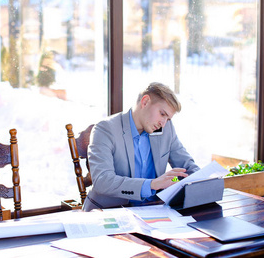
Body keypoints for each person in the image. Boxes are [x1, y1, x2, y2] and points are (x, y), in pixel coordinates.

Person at [83, 82, 200, 211]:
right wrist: (152, 184)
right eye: (162, 114)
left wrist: (199, 179)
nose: (163, 123)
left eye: (168, 119)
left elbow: (187, 167)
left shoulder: (166, 130)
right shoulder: (105, 129)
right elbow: (103, 181)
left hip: (153, 210)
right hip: (108, 212)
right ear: (145, 101)